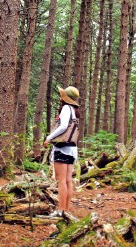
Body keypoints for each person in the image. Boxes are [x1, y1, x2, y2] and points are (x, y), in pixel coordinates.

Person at [43, 85, 80, 218]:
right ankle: (66, 210)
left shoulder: (66, 108)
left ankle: (60, 210)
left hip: (62, 147)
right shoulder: (74, 110)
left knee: (61, 181)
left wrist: (49, 138)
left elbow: (63, 126)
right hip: (72, 148)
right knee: (68, 180)